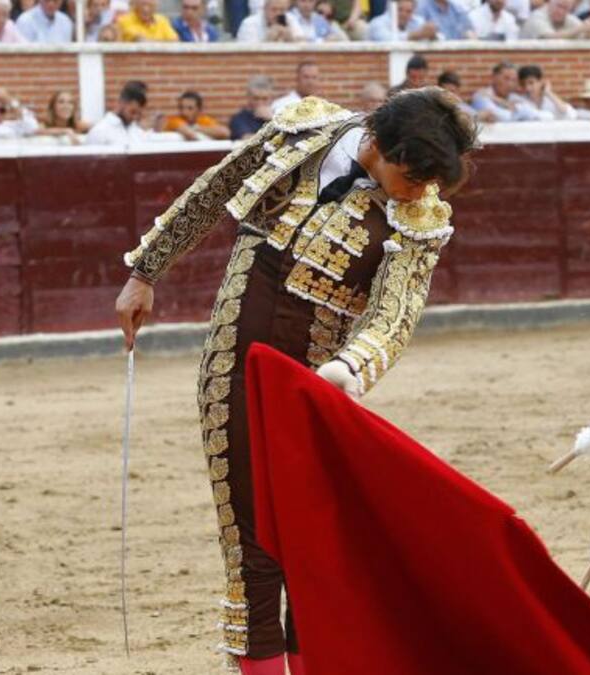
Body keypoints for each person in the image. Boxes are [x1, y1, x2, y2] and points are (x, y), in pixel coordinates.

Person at [113, 87, 478, 675]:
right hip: (236, 354)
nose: (419, 193)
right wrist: (145, 270)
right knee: (249, 534)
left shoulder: (419, 213)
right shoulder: (302, 133)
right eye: (411, 177)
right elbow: (215, 189)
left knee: (314, 540)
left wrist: (350, 368)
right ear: (379, 147)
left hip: (323, 379)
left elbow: (396, 314)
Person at [85, 80, 153, 145]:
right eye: (132, 112)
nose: (135, 117)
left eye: (139, 114)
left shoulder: (137, 132)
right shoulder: (100, 132)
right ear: (121, 103)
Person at [165, 91, 231, 140]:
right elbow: (190, 134)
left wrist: (198, 128)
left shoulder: (203, 120)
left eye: (190, 108)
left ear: (199, 110)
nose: (184, 112)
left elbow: (225, 133)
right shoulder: (174, 120)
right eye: (181, 107)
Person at [367, 0, 438, 40]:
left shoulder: (417, 21)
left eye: (408, 11)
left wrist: (433, 36)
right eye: (400, 10)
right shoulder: (377, 23)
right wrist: (416, 35)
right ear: (391, 8)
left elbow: (441, 38)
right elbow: (388, 40)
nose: (404, 14)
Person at [231, 75, 275, 140]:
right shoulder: (239, 119)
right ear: (249, 98)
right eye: (256, 98)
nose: (260, 103)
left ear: (271, 98)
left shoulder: (277, 116)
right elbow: (248, 139)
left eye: (264, 99)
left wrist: (272, 119)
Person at [519, 0, 590, 38]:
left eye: (565, 8)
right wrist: (579, 29)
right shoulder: (537, 16)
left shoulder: (569, 18)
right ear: (549, 3)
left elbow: (585, 34)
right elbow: (550, 37)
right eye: (559, 6)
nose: (560, 11)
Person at [237, 0, 304, 41]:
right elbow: (246, 53)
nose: (278, 13)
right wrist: (268, 39)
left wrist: (291, 39)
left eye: (282, 10)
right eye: (274, 9)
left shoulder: (290, 19)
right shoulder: (249, 23)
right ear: (265, 9)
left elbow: (303, 42)